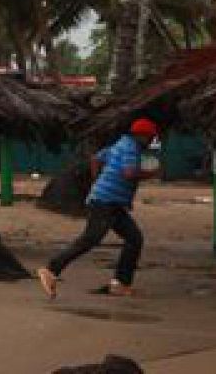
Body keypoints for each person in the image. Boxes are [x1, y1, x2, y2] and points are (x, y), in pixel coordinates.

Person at [37, 118, 161, 299]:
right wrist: (151, 173)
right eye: (150, 138)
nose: (150, 142)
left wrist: (97, 181)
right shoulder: (131, 148)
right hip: (106, 202)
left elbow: (96, 159)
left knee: (134, 239)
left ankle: (120, 284)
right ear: (142, 136)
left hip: (111, 201)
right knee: (91, 238)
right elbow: (128, 173)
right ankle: (51, 269)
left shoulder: (120, 144)